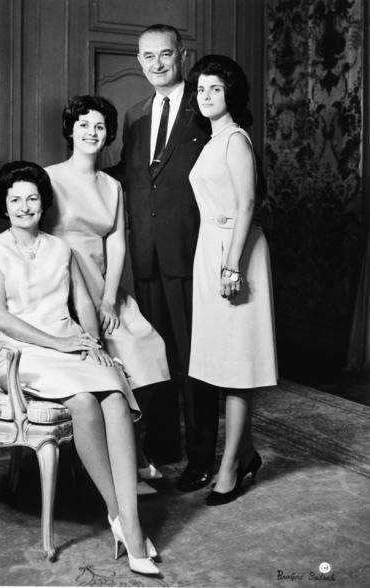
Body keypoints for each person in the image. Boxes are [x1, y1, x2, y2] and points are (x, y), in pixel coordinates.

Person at [0, 160, 160, 575]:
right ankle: (124, 518)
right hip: (22, 353)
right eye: (16, 199)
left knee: (113, 395)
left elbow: (82, 305)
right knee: (82, 401)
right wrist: (60, 343)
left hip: (69, 346)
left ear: (44, 204)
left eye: (33, 199)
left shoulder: (62, 249)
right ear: (4, 206)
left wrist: (91, 342)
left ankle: (125, 519)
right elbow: (0, 318)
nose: (25, 206)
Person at [105, 24, 219, 491]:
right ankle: (165, 445)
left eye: (165, 55)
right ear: (138, 59)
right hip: (146, 256)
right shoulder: (134, 116)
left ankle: (201, 458)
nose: (156, 64)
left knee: (196, 362)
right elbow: (128, 179)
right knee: (157, 358)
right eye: (147, 56)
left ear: (183, 56)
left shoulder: (207, 106)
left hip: (193, 254)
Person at [42, 95, 171, 495]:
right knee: (111, 361)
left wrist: (110, 297)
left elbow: (117, 245)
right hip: (62, 285)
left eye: (99, 127)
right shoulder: (48, 178)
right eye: (84, 125)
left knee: (149, 348)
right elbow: (40, 240)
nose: (92, 133)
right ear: (70, 130)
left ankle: (132, 449)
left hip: (105, 286)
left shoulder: (113, 185)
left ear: (108, 134)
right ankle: (126, 462)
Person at [187, 55, 278, 506]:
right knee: (217, 360)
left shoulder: (236, 140)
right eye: (201, 90)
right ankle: (248, 453)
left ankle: (230, 468)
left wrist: (232, 265)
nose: (206, 97)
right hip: (212, 247)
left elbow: (246, 206)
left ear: (231, 95)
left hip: (233, 250)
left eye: (215, 90)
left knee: (237, 366)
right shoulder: (211, 140)